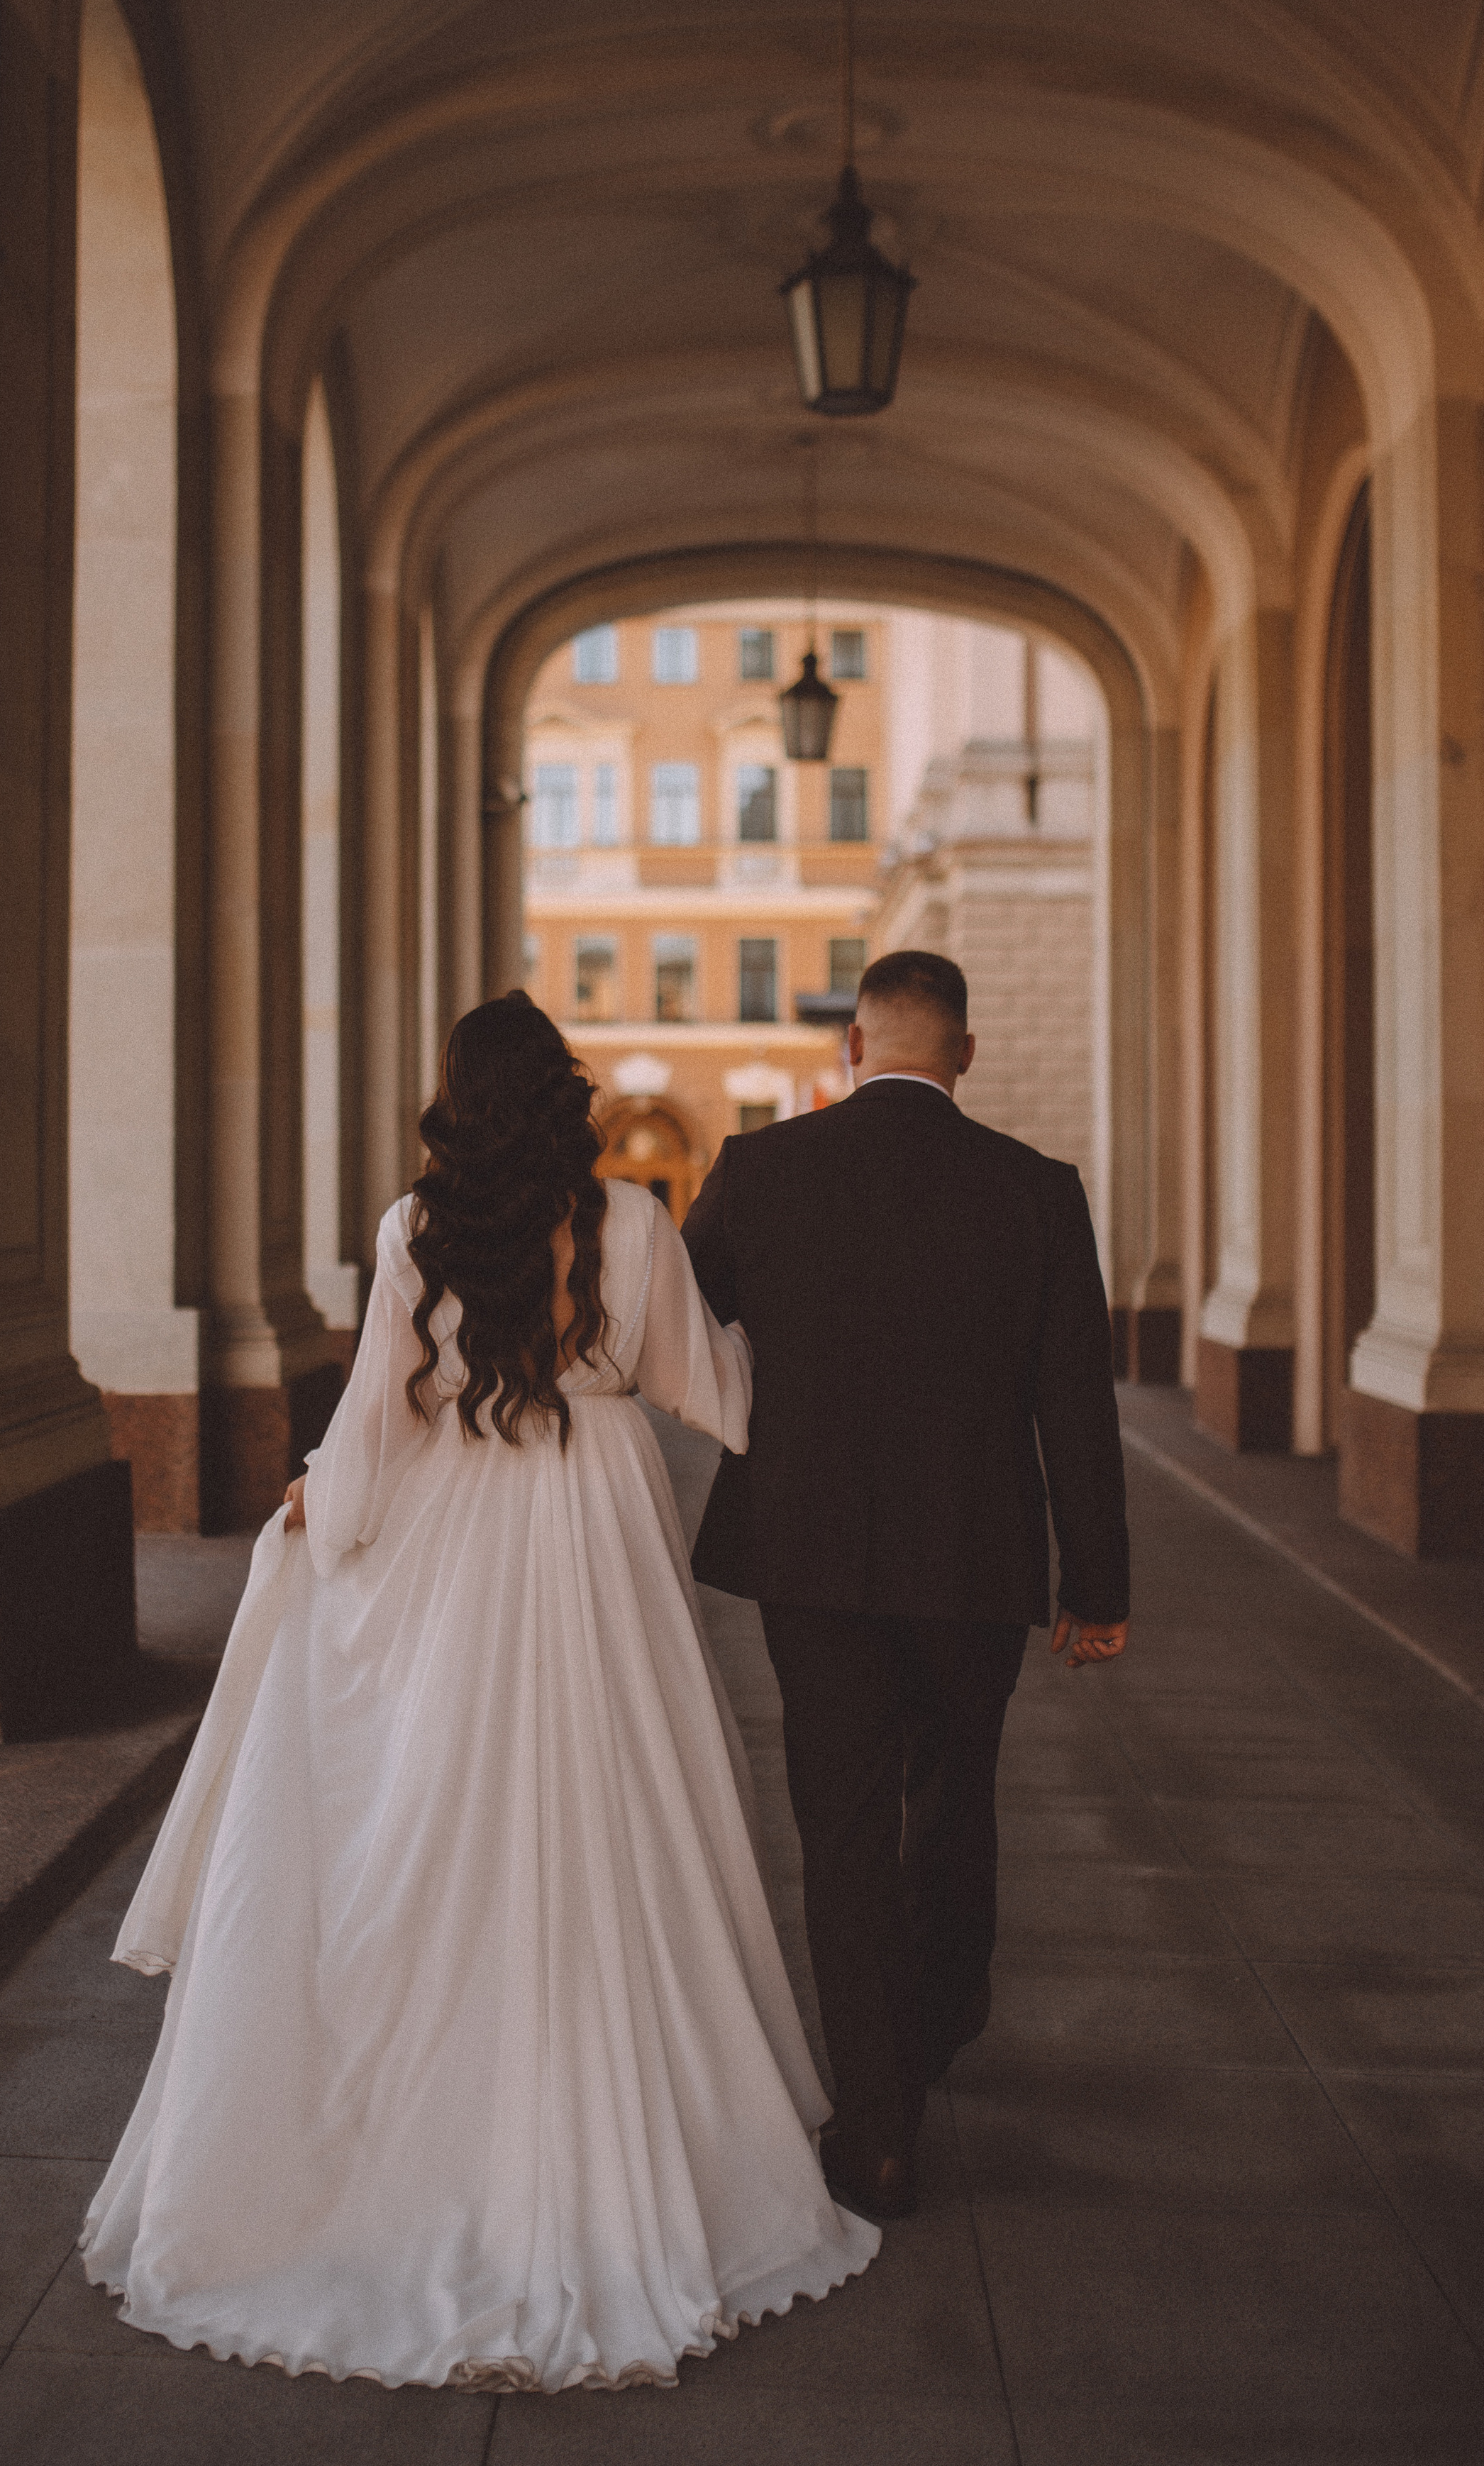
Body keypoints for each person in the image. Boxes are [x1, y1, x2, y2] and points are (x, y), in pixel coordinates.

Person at [82, 992, 878, 2390]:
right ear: (566, 1096)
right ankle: (631, 2150)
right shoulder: (632, 1219)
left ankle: (427, 2143)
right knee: (618, 1811)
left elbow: (379, 1418)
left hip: (455, 1528)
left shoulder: (415, 1227)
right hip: (602, 1518)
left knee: (434, 1810)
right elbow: (718, 1393)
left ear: (458, 1099)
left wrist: (316, 1518)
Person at [682, 949, 1130, 2226]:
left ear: (853, 1049)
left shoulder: (760, 1171)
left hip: (809, 1555)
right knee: (953, 1793)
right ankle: (937, 2027)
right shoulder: (1037, 1194)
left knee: (840, 1823)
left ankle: (877, 2127)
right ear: (966, 1055)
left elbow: (679, 1326)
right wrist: (1096, 1583)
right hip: (976, 1564)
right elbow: (1077, 1407)